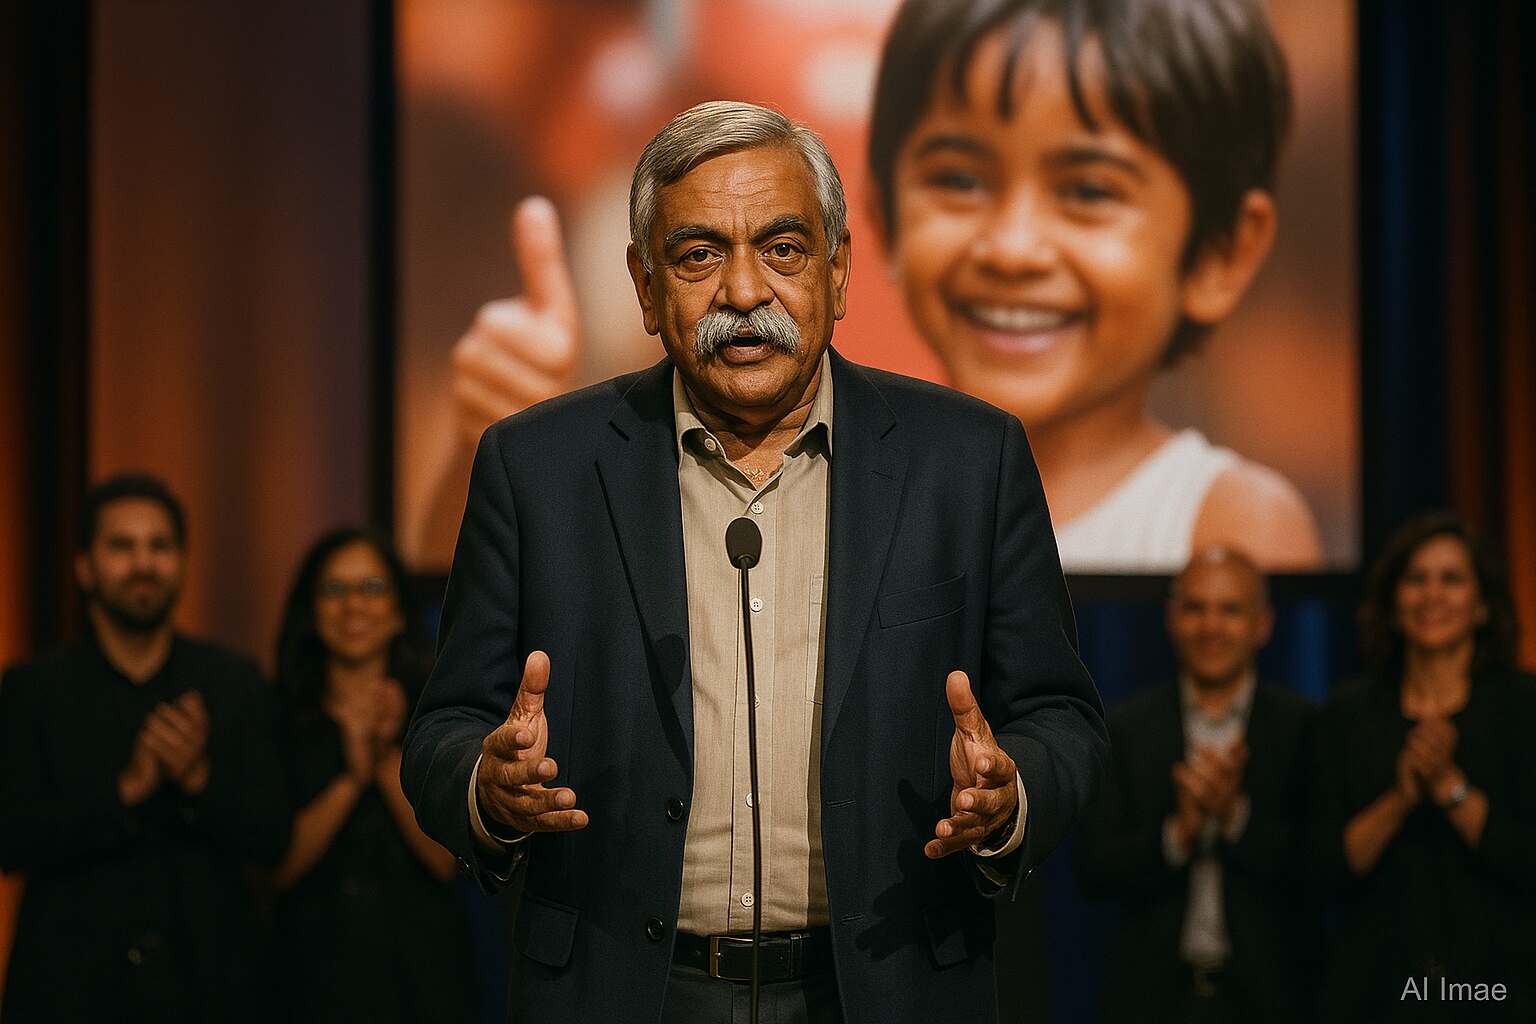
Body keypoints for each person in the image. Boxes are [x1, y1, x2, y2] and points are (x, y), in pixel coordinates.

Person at [402, 101, 1107, 1023]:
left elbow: (1060, 716)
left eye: (783, 249)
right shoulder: (537, 468)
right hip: (627, 994)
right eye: (698, 255)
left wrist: (1009, 796)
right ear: (646, 289)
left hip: (880, 988)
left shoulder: (967, 462)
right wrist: (487, 788)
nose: (743, 291)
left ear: (840, 270)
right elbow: (445, 727)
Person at [440, 0, 1323, 574]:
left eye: (1088, 192)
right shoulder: (799, 484)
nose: (1012, 247)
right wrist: (497, 452)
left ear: (1219, 254)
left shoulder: (1230, 522)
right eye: (960, 179)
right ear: (881, 221)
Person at [0, 474, 289, 1022]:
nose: (143, 563)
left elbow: (272, 837)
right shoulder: (34, 689)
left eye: (160, 546)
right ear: (84, 568)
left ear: (182, 562)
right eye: (121, 546)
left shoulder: (233, 683)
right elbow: (11, 838)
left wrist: (199, 779)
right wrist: (126, 790)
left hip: (208, 990)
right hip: (70, 990)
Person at [1076, 548, 1316, 1022]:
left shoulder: (1304, 727)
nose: (1211, 626)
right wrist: (1178, 835)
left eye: (1230, 609)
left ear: (1263, 624)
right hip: (1151, 1002)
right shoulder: (1126, 729)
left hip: (1275, 1001)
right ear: (1171, 619)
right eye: (1195, 608)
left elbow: (1323, 868)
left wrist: (1234, 818)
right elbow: (1092, 869)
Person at [1311, 514, 1535, 1021]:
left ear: (1481, 605)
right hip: (1375, 993)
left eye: (1451, 578)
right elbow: (1320, 868)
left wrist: (1451, 788)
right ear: (1392, 603)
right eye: (1416, 578)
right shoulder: (1347, 713)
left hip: (1499, 992)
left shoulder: (1524, 709)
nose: (1432, 594)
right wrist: (1403, 797)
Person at [270, 528, 471, 1022]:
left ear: (399, 610)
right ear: (312, 610)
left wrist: (383, 760)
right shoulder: (275, 716)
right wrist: (350, 778)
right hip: (307, 982)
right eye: (334, 590)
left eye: (372, 588)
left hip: (423, 983)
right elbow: (273, 868)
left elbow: (448, 863)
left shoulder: (440, 717)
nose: (353, 606)